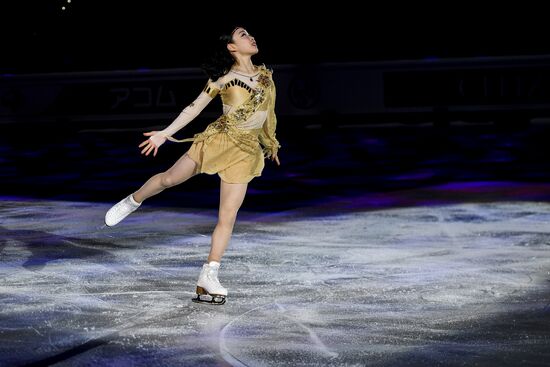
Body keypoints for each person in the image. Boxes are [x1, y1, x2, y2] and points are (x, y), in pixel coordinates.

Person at [104, 26, 281, 305]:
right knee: (168, 180)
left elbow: (267, 115)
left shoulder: (265, 76)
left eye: (249, 33)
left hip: (246, 151)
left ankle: (208, 275)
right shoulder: (223, 78)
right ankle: (133, 200)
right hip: (219, 141)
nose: (251, 37)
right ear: (232, 47)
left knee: (228, 217)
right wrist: (164, 133)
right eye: (243, 35)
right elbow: (194, 107)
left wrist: (271, 143)